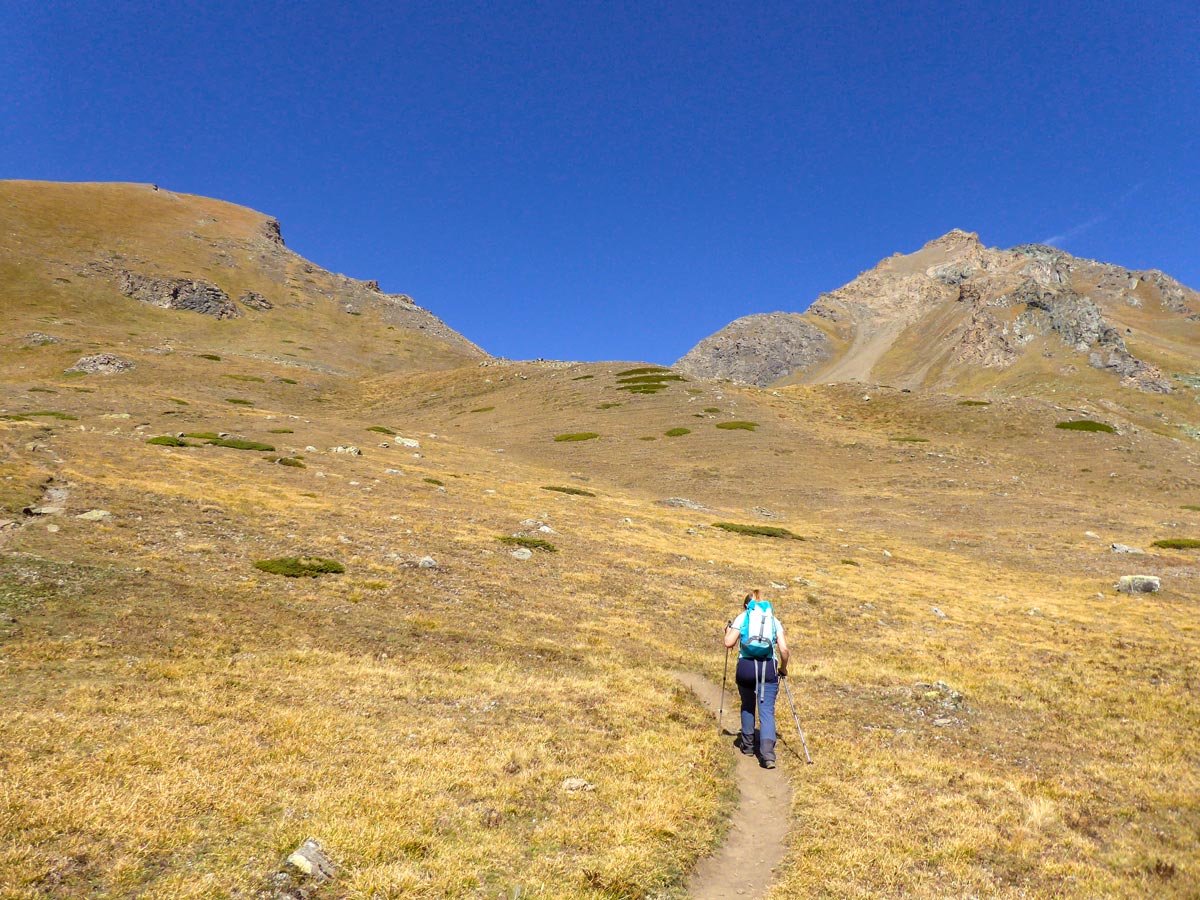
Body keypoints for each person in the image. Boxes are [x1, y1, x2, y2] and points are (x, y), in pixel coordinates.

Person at [724, 589, 789, 768]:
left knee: (747, 704)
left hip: (745, 666)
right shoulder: (773, 620)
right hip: (767, 668)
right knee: (767, 709)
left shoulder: (743, 616)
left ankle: (748, 746)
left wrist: (727, 631)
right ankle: (768, 754)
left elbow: (728, 642)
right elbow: (784, 649)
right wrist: (783, 668)